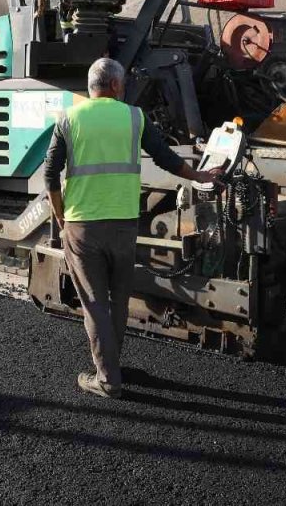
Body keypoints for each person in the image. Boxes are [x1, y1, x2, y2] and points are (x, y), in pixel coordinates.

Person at [44, 58, 222, 398]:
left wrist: (61, 218)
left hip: (83, 226)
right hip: (124, 224)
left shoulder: (68, 119)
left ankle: (108, 377)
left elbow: (50, 175)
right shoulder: (134, 117)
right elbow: (165, 157)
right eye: (122, 83)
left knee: (95, 303)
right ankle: (112, 365)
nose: (123, 88)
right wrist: (199, 176)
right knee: (118, 300)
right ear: (114, 86)